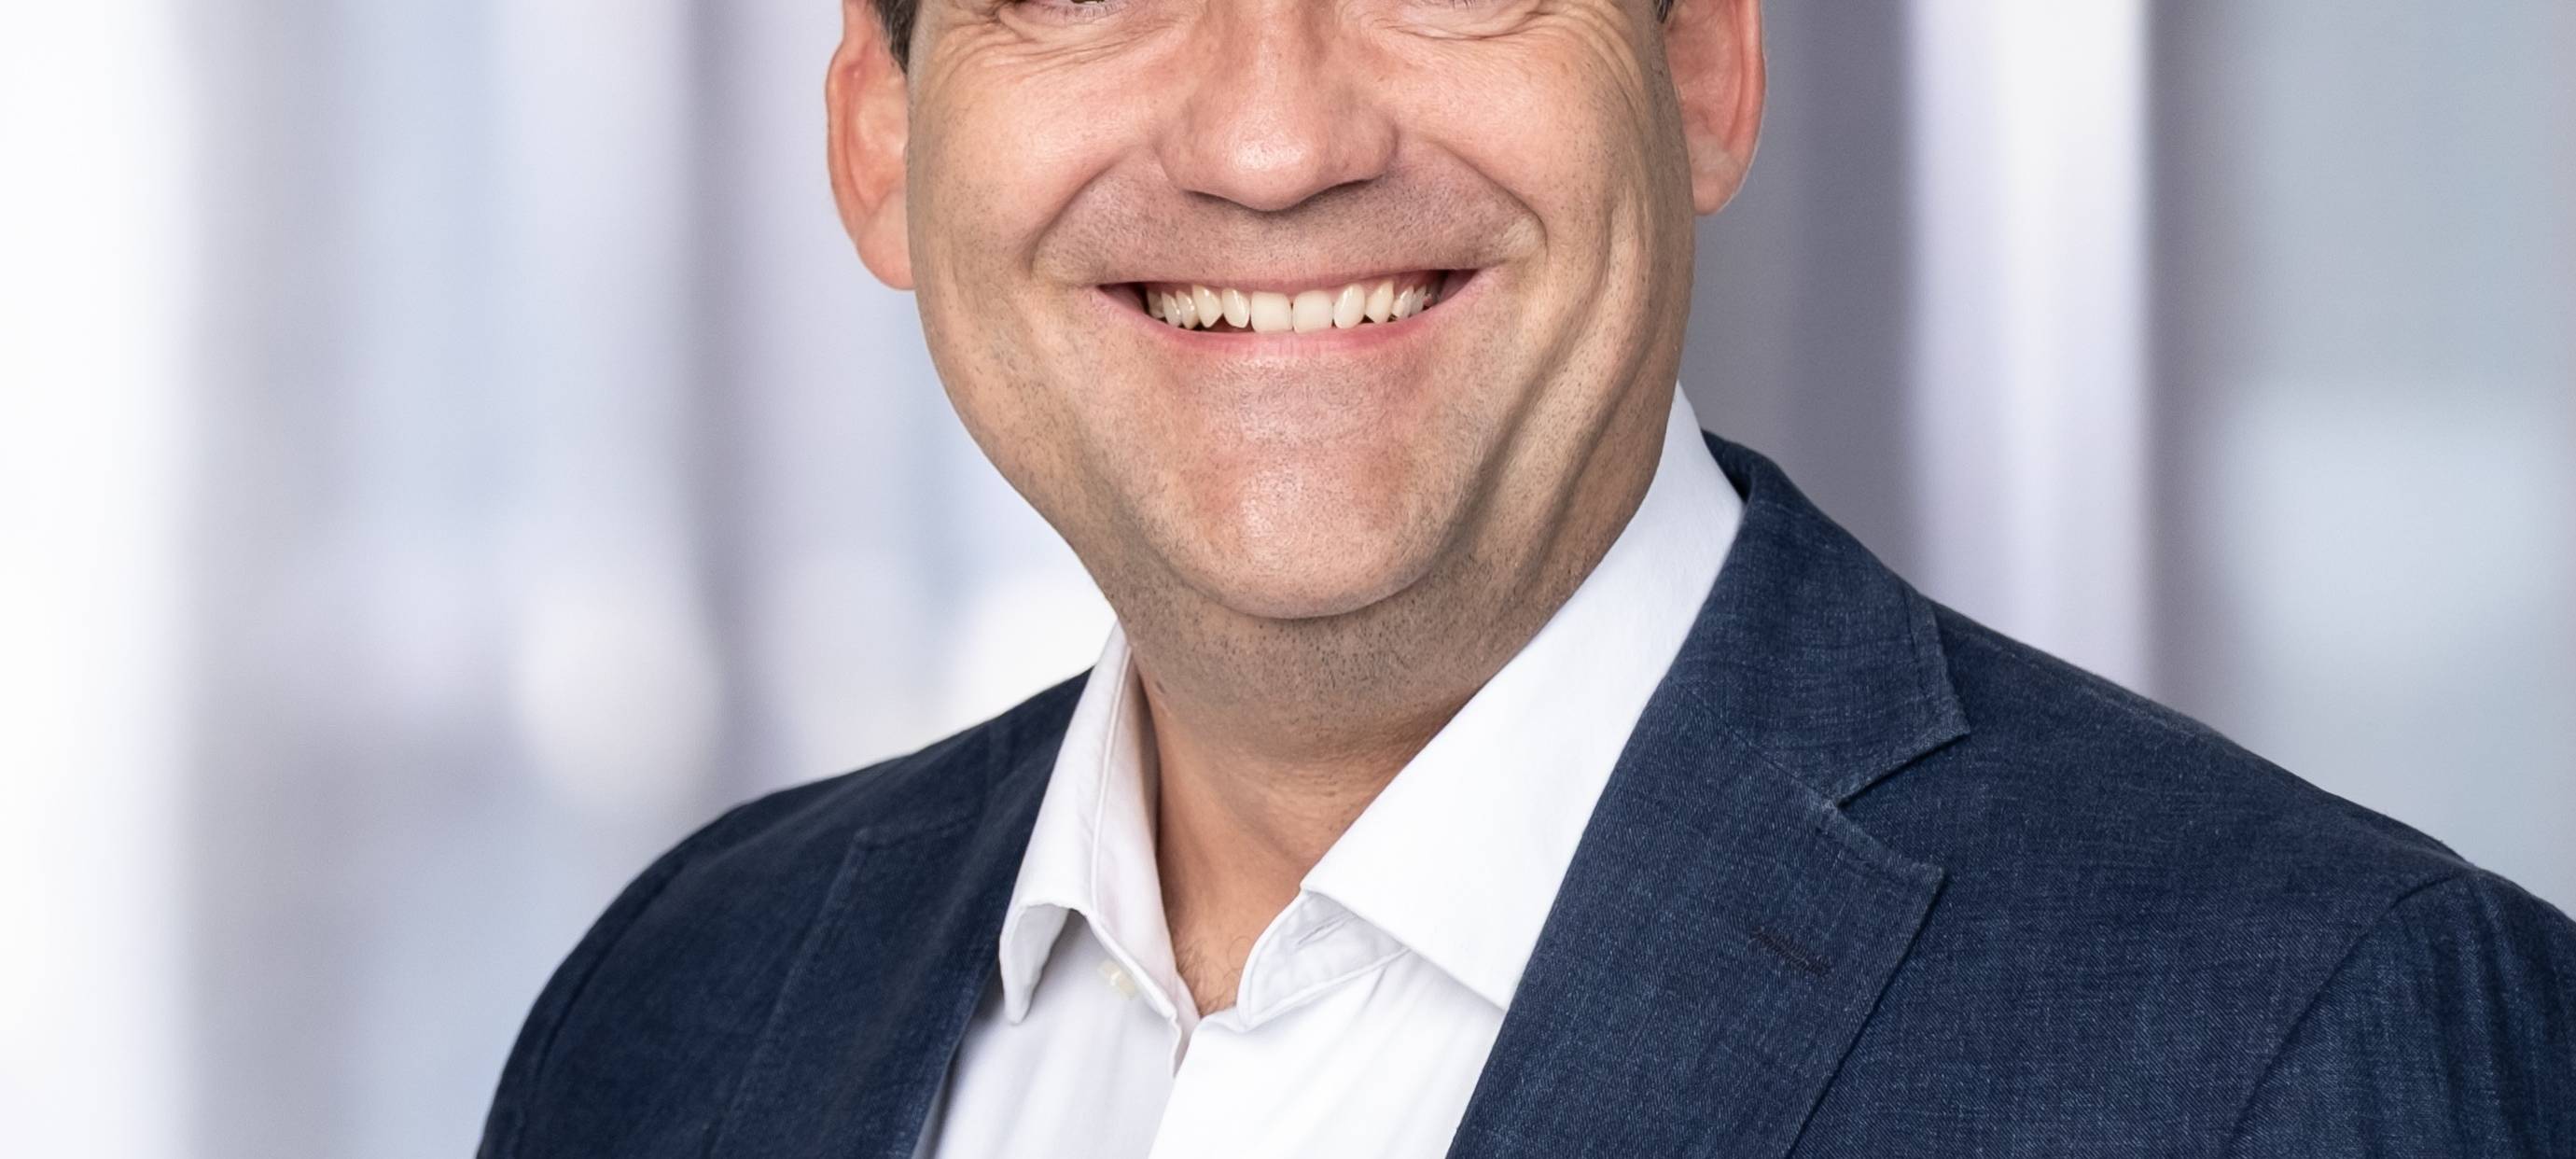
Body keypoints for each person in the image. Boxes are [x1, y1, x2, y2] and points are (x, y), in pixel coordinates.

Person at [478, 0, 2576, 1153]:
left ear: (1701, 69)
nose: (1272, 141)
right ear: (879, 135)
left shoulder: (2313, 1035)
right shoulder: (683, 1017)